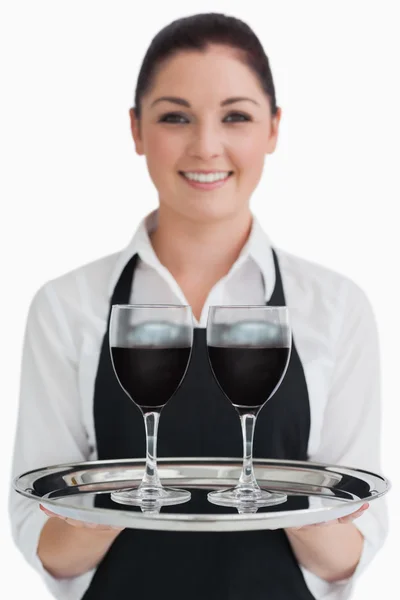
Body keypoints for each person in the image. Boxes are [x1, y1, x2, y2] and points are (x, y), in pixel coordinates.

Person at [9, 12, 388, 600]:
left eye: (235, 116)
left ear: (273, 130)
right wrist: (136, 488)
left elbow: (345, 561)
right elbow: (51, 555)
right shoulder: (68, 306)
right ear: (136, 131)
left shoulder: (336, 308)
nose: (206, 145)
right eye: (175, 117)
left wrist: (265, 488)